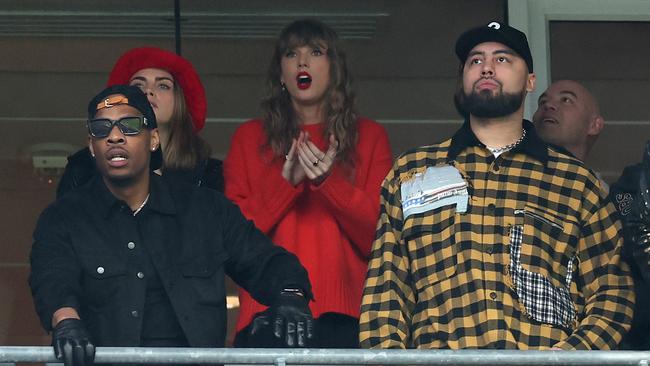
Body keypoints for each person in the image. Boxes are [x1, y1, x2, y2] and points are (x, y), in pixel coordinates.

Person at [359, 21, 634, 350]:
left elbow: (611, 297)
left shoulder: (577, 182)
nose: (486, 67)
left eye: (503, 59)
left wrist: (564, 360)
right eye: (475, 61)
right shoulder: (412, 171)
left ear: (531, 81)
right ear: (463, 79)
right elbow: (385, 295)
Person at [30, 85, 314, 366]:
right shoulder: (65, 217)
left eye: (129, 126)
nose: (115, 136)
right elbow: (53, 279)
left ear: (153, 139)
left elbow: (264, 260)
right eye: (101, 129)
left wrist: (291, 296)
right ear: (92, 146)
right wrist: (66, 321)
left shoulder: (207, 209)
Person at [224, 19, 393, 348]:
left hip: (346, 319)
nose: (302, 61)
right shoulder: (248, 139)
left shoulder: (370, 137)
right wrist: (285, 186)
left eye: (316, 52)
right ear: (281, 74)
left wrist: (329, 183)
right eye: (291, 54)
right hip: (266, 313)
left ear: (335, 68)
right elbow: (231, 243)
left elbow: (380, 238)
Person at [57, 47, 223, 198]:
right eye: (138, 85)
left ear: (180, 101)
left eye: (163, 86)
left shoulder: (208, 172)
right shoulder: (84, 166)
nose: (148, 91)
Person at [532, 80, 604, 162]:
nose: (548, 104)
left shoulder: (586, 175)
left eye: (566, 100)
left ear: (594, 125)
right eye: (543, 101)